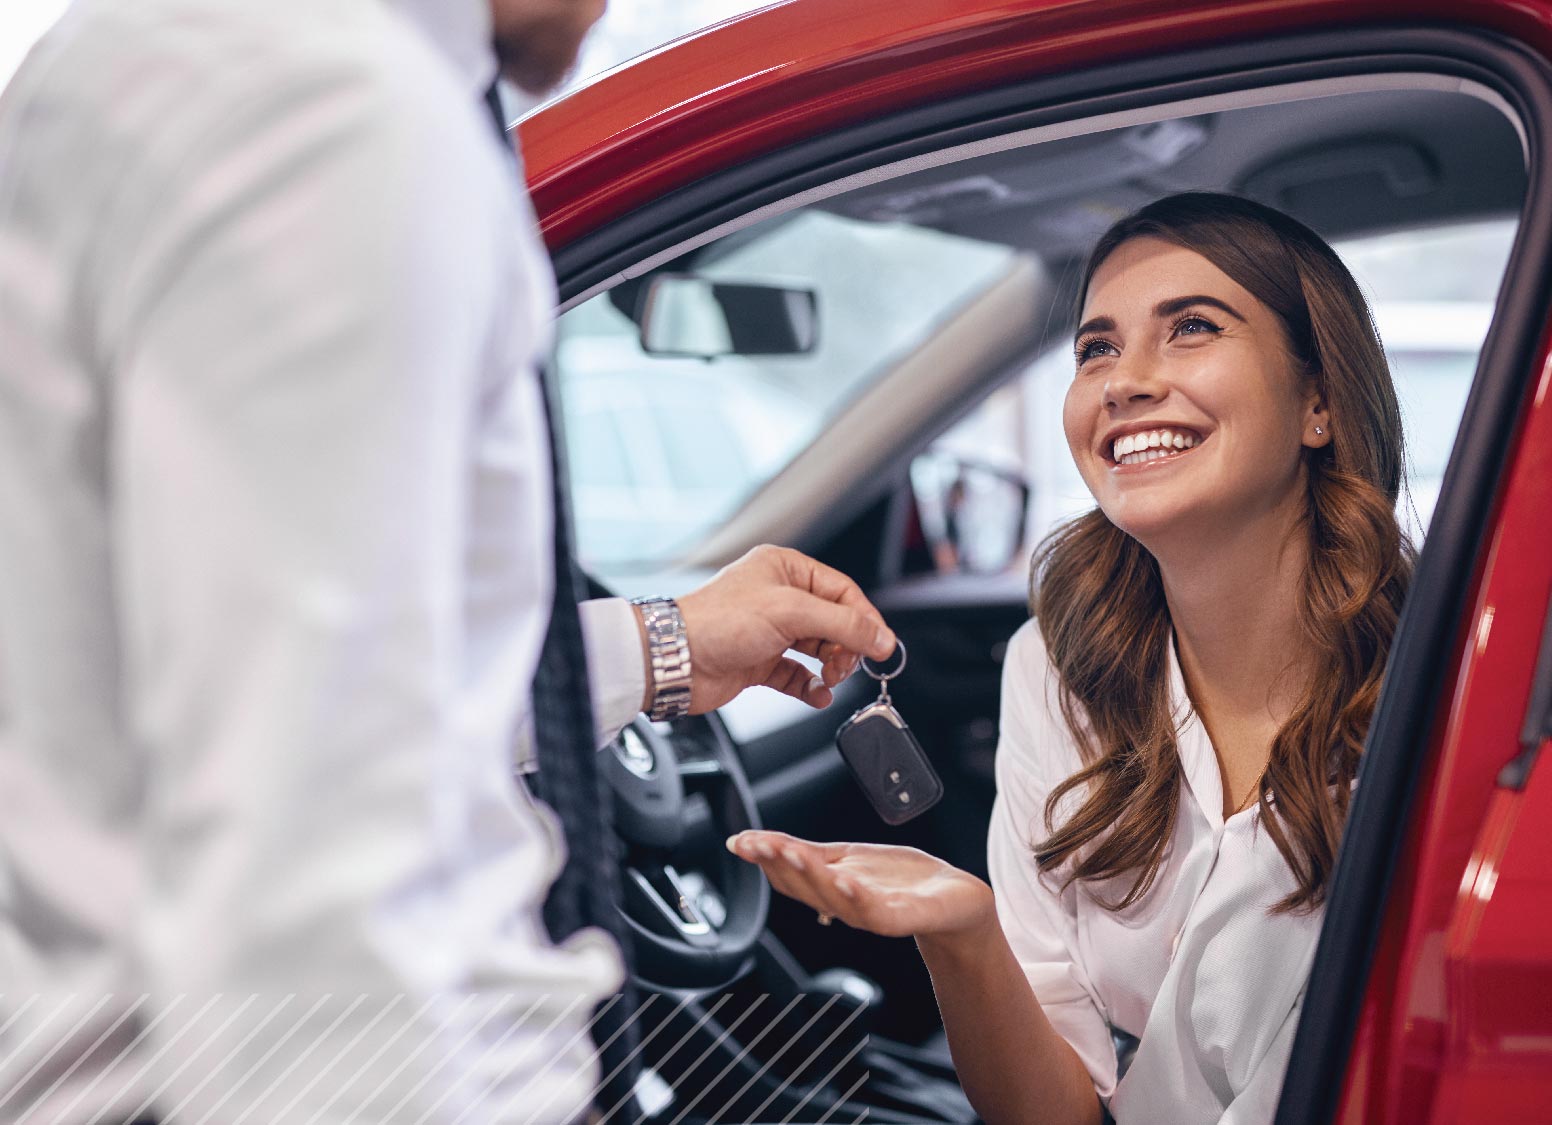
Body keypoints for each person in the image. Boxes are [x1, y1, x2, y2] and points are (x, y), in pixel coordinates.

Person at [0, 1, 896, 1122]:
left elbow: (322, 688)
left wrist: (663, 646)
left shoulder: (167, 61)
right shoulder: (327, 111)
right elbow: (318, 934)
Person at [730, 191, 1412, 1124]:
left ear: (1319, 403)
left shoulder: (1440, 682)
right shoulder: (1057, 669)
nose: (1124, 381)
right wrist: (965, 936)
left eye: (1192, 328)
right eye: (1096, 347)